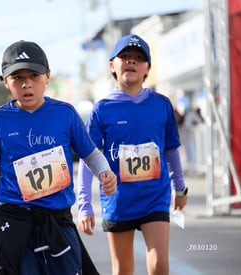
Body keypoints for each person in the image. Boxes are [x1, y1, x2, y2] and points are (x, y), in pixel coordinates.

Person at [0, 40, 117, 275]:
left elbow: (90, 153)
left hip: (57, 221)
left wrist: (104, 171)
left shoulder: (65, 114)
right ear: (5, 81)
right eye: (17, 77)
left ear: (47, 76)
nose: (26, 83)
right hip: (15, 222)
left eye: (34, 75)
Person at [77, 34, 188, 275]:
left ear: (147, 68)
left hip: (155, 197)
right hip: (119, 200)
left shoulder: (161, 104)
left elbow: (170, 148)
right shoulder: (102, 109)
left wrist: (179, 188)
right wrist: (84, 204)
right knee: (123, 270)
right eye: (124, 56)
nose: (131, 62)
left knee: (159, 264)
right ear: (112, 66)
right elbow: (88, 157)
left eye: (139, 58)